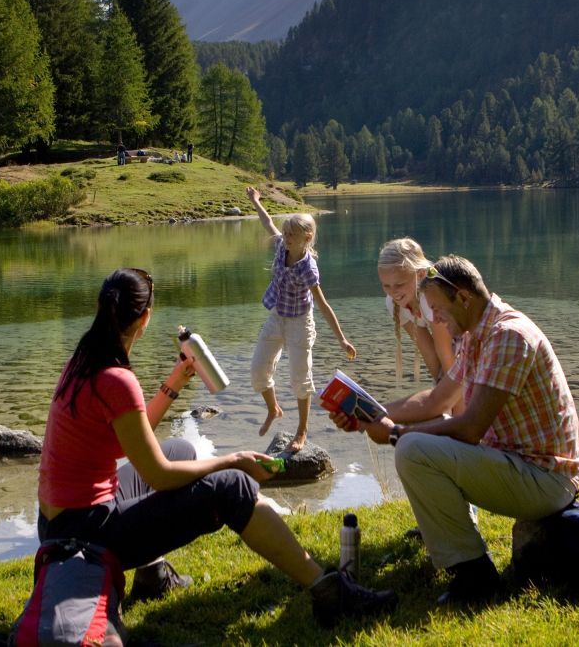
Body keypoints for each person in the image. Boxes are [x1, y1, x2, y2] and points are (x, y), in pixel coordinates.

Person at [36, 268, 395, 626]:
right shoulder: (117, 379)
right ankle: (329, 591)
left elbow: (125, 437)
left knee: (180, 451)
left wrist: (175, 381)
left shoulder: (85, 360)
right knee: (231, 487)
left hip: (59, 521)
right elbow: (159, 476)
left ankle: (152, 578)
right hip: (86, 535)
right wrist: (234, 460)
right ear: (145, 317)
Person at [324, 255, 579, 607]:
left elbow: (471, 428)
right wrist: (370, 416)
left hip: (545, 479)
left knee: (412, 450)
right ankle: (468, 563)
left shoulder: (508, 336)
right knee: (414, 446)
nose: (437, 320)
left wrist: (397, 433)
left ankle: (475, 574)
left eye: (438, 310)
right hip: (518, 465)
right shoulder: (478, 334)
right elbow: (437, 399)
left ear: (463, 297)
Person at [245, 186, 357, 452]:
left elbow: (323, 303)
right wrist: (255, 201)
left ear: (307, 238)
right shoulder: (281, 247)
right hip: (276, 318)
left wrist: (341, 339)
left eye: (291, 235)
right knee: (258, 371)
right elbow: (267, 222)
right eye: (285, 233)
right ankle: (273, 409)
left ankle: (302, 431)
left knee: (301, 379)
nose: (285, 237)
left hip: (299, 324)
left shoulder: (308, 269)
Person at [377, 238, 456, 385]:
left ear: (420, 274)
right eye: (386, 285)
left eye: (399, 284)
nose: (393, 292)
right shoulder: (393, 303)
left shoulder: (432, 297)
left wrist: (451, 402)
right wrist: (439, 386)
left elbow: (446, 352)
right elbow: (429, 352)